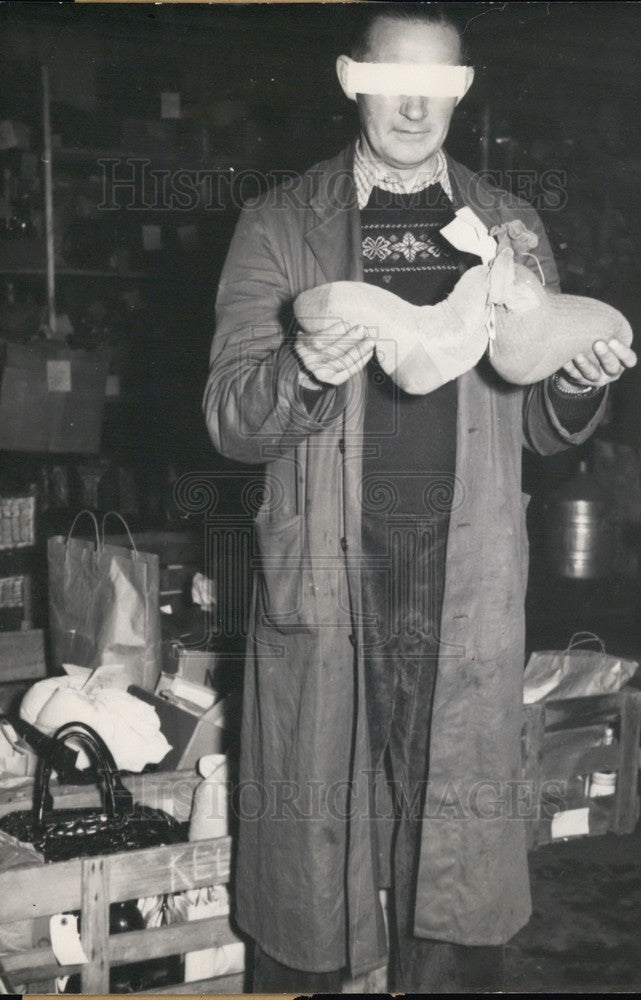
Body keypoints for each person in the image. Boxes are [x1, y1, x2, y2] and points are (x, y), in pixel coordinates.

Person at [203, 5, 636, 992]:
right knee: (308, 862)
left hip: (461, 576)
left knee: (453, 853)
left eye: (437, 84)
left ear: (463, 88)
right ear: (350, 77)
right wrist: (301, 369)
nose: (414, 103)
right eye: (393, 78)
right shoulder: (280, 221)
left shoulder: (510, 226)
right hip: (326, 573)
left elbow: (536, 422)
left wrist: (576, 380)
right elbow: (230, 418)